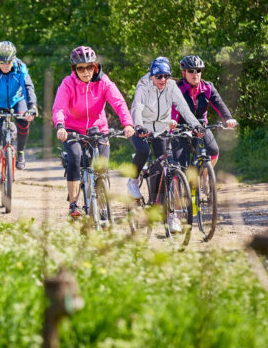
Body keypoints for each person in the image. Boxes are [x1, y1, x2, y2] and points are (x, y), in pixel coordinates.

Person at [52, 46, 135, 218]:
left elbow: (119, 103)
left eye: (89, 67)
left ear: (95, 66)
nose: (85, 71)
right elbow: (59, 107)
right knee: (75, 157)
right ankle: (74, 205)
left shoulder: (104, 82)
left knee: (101, 168)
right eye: (80, 68)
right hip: (72, 129)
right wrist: (60, 125)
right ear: (74, 69)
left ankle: (102, 201)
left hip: (98, 128)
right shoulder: (68, 83)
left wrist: (128, 124)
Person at [129, 56, 204, 232]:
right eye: (159, 76)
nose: (163, 80)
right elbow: (137, 107)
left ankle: (169, 215)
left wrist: (196, 125)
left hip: (161, 129)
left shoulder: (171, 86)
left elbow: (183, 107)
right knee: (144, 151)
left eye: (166, 76)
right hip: (142, 127)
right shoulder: (143, 85)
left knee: (164, 166)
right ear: (152, 76)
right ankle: (133, 181)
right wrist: (138, 126)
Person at [0, 41, 38, 197]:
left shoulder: (21, 68)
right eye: (2, 63)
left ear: (14, 59)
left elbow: (28, 88)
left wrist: (32, 107)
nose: (5, 66)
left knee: (24, 120)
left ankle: (20, 152)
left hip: (17, 100)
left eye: (9, 62)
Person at [171, 55, 238, 169]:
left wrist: (228, 118)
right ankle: (179, 180)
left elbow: (219, 104)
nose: (195, 74)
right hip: (180, 128)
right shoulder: (177, 89)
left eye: (198, 70)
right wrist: (171, 121)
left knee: (213, 151)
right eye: (191, 71)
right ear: (184, 73)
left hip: (201, 126)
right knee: (180, 165)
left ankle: (205, 175)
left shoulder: (207, 87)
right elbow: (171, 108)